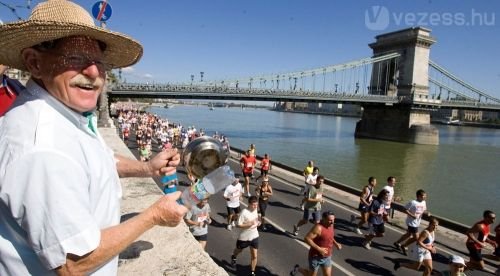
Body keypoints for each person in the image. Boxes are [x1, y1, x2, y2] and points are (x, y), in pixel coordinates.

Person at [0, 1, 187, 275]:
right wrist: (154, 216)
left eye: (99, 62)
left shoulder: (64, 114)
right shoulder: (43, 147)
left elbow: (95, 160)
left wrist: (147, 168)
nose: (93, 72)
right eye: (75, 58)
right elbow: (73, 262)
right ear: (34, 62)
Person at [290, 211, 342, 276]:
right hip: (316, 257)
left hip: (327, 256)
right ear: (324, 219)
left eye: (333, 220)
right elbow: (307, 238)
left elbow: (330, 236)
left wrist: (336, 244)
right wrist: (319, 249)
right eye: (330, 220)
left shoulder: (331, 225)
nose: (332, 222)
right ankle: (298, 269)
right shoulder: (318, 228)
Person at [231, 196, 261, 276]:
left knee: (254, 255)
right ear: (249, 204)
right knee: (239, 250)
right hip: (244, 237)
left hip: (254, 235)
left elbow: (256, 219)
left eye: (256, 205)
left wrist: (258, 222)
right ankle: (234, 256)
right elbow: (238, 225)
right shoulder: (244, 212)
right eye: (254, 205)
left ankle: (252, 272)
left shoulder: (255, 210)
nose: (256, 207)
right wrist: (249, 224)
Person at [394, 189, 428, 255]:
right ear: (419, 196)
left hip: (417, 222)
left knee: (408, 234)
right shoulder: (413, 202)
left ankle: (397, 242)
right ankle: (404, 245)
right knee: (417, 238)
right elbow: (405, 209)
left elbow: (424, 210)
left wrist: (427, 213)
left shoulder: (424, 202)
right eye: (424, 196)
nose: (425, 197)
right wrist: (412, 215)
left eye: (425, 196)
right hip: (411, 222)